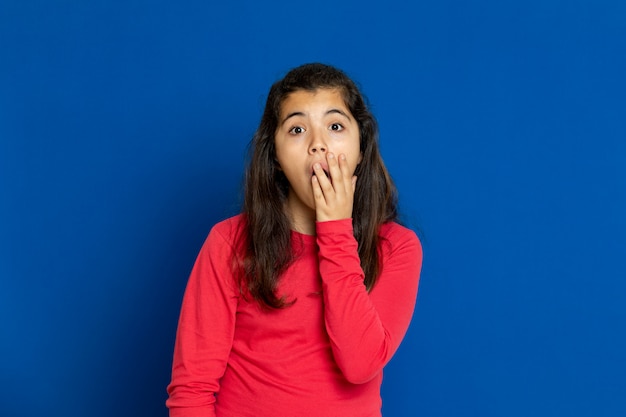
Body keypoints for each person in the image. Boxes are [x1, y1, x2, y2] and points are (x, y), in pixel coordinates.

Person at [166, 63, 423, 417]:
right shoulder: (229, 242)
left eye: (335, 127)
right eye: (297, 129)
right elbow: (191, 390)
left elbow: (361, 365)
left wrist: (335, 230)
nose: (318, 145)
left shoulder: (397, 247)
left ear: (361, 147)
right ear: (275, 156)